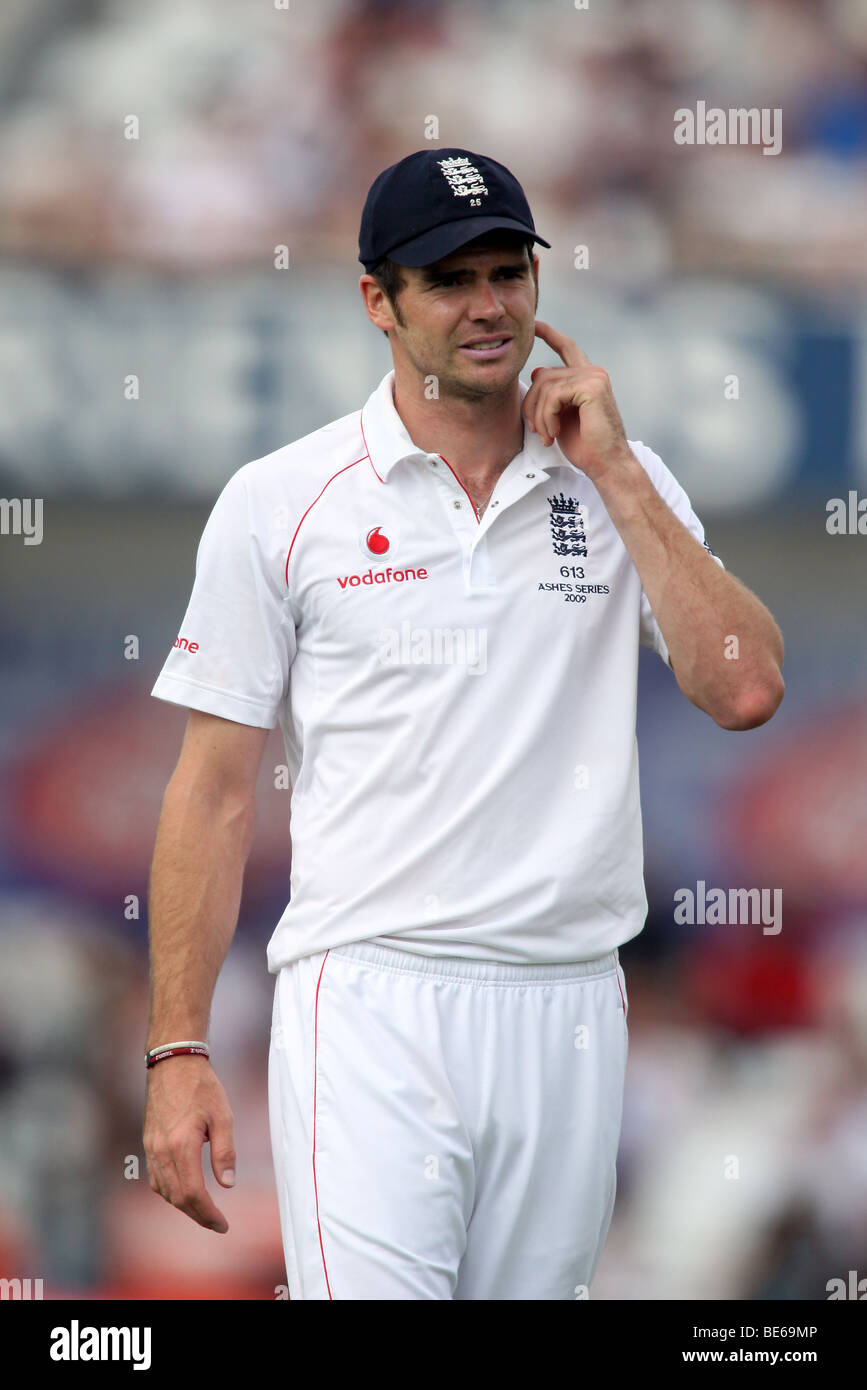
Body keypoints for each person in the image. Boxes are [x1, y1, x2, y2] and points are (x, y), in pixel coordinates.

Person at [143, 148, 785, 1300]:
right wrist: (179, 1050)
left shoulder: (618, 477)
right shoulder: (283, 503)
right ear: (378, 302)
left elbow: (744, 688)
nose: (488, 306)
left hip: (571, 1005)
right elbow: (212, 791)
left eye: (508, 272)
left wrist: (624, 478)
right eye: (448, 280)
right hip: (373, 998)